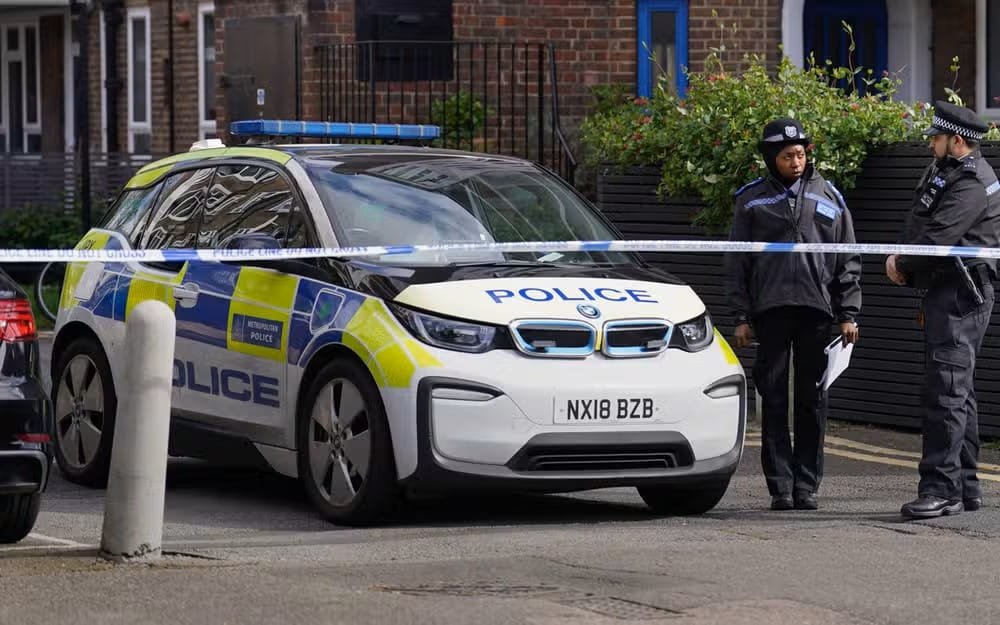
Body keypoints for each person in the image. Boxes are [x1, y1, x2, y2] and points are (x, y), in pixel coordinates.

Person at [726, 118, 862, 511]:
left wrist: (848, 313)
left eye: (801, 154)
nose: (796, 162)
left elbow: (847, 258)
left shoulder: (830, 196)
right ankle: (780, 487)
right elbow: (738, 264)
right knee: (773, 399)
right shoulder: (750, 200)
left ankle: (807, 485)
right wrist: (741, 315)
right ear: (771, 158)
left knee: (811, 399)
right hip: (769, 313)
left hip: (816, 313)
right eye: (788, 156)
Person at [885, 100, 1000, 520]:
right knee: (959, 392)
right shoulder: (948, 172)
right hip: (950, 291)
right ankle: (967, 487)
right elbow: (920, 219)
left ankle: (942, 489)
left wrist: (902, 264)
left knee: (946, 393)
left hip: (960, 294)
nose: (930, 143)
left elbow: (937, 238)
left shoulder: (970, 182)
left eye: (936, 137)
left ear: (956, 141)